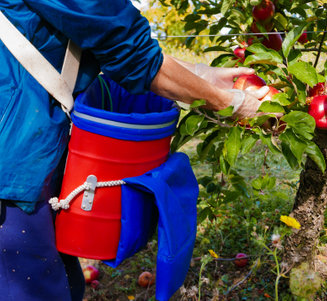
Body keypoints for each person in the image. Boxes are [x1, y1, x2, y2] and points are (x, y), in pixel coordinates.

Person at [0, 0, 270, 300]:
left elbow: (104, 37)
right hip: (13, 160)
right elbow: (129, 49)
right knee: (32, 285)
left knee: (57, 280)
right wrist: (228, 102)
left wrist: (202, 75)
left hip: (27, 146)